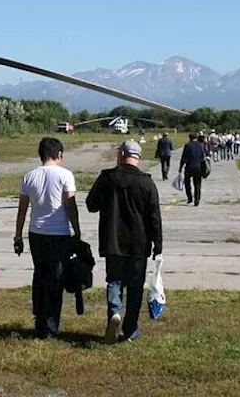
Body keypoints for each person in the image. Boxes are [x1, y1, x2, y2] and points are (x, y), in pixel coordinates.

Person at [85, 139, 163, 343]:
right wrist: (158, 244)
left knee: (114, 281)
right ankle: (130, 329)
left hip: (113, 242)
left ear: (120, 155)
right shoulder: (147, 182)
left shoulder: (107, 178)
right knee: (135, 287)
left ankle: (114, 313)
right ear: (139, 158)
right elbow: (154, 217)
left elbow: (91, 205)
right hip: (139, 244)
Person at [13, 137, 82, 339]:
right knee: (56, 279)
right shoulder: (65, 175)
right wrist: (77, 232)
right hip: (59, 233)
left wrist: (18, 235)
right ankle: (51, 326)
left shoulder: (29, 177)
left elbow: (22, 210)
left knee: (40, 275)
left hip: (36, 233)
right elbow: (71, 206)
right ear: (59, 154)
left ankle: (40, 319)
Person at [178, 133, 208, 206]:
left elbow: (183, 157)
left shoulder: (187, 145)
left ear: (189, 138)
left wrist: (180, 167)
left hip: (189, 166)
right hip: (198, 166)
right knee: (197, 184)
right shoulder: (201, 145)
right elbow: (204, 155)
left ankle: (190, 198)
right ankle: (197, 200)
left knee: (187, 183)